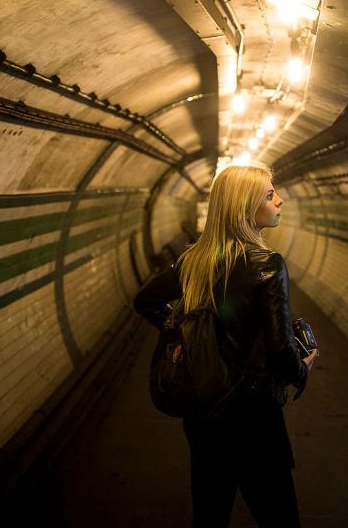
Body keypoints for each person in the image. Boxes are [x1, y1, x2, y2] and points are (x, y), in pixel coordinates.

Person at [134, 165, 318, 528]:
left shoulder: (193, 261)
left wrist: (181, 336)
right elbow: (283, 352)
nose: (279, 200)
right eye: (269, 195)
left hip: (204, 411)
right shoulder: (268, 265)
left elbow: (146, 301)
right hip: (255, 418)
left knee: (209, 513)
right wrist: (304, 368)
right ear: (245, 208)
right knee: (280, 517)